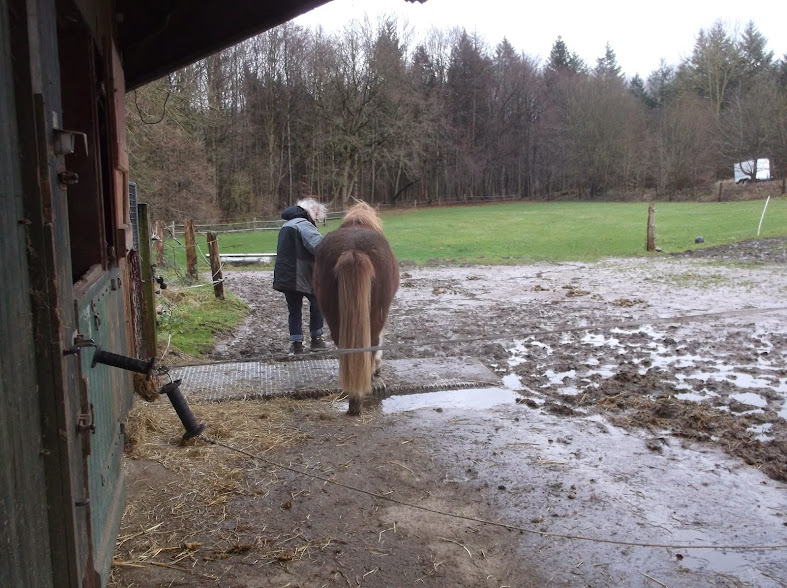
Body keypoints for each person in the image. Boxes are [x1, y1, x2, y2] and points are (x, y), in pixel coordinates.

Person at [273, 198, 332, 354]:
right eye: (317, 214)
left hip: (286, 275)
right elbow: (319, 247)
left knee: (294, 310)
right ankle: (316, 339)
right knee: (317, 303)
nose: (317, 218)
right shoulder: (303, 224)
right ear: (309, 211)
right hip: (302, 274)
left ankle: (296, 344)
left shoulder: (287, 224)